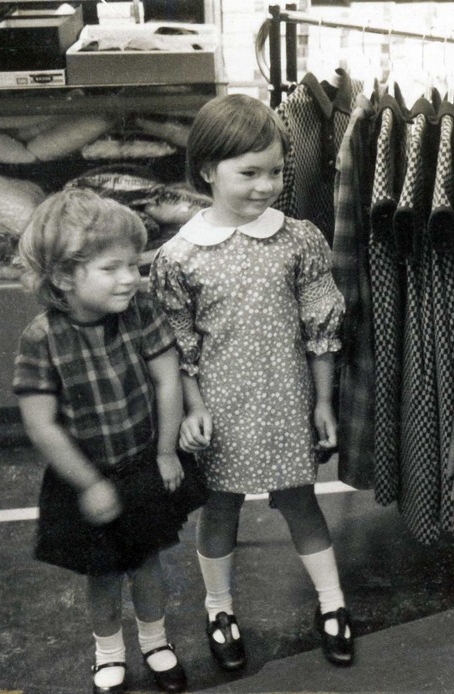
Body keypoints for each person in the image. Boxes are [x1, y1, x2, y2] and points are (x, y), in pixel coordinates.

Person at [149, 93, 354, 672]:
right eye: (249, 173)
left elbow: (320, 325)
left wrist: (322, 402)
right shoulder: (180, 256)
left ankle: (332, 603)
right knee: (221, 510)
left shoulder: (299, 239)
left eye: (275, 172)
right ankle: (219, 609)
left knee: (302, 503)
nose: (265, 185)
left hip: (287, 401)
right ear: (207, 170)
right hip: (220, 408)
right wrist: (191, 410)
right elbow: (179, 344)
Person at [13, 188, 206, 694]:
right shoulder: (41, 338)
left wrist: (166, 450)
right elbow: (42, 424)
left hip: (143, 463)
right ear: (63, 277)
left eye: (134, 265)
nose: (131, 278)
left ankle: (156, 641)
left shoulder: (140, 310)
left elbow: (167, 379)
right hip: (87, 478)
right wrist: (88, 484)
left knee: (147, 561)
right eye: (112, 268)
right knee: (103, 573)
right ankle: (108, 653)